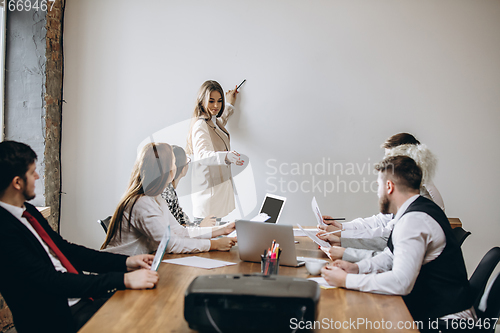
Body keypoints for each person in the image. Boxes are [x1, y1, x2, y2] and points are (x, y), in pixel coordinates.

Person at [0, 141, 159, 333]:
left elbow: (68, 251)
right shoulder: (5, 230)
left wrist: (126, 262)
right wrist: (124, 280)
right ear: (17, 182)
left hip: (80, 301)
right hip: (56, 318)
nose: (38, 176)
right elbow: (51, 280)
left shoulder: (28, 211)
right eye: (32, 172)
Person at [321, 156, 473, 331]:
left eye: (378, 186)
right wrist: (357, 268)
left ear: (389, 186)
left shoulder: (414, 221)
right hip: (437, 309)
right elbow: (390, 256)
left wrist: (346, 280)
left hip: (446, 320)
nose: (378, 193)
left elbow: (401, 282)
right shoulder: (417, 209)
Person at [319, 133, 445, 262]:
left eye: (391, 159)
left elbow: (387, 238)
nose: (386, 164)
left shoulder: (419, 207)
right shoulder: (409, 199)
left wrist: (342, 240)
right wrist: (342, 229)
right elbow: (380, 223)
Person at [101, 142, 236, 256]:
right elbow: (169, 243)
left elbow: (180, 231)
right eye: (173, 161)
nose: (176, 166)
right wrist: (214, 244)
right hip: (117, 269)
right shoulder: (141, 203)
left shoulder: (156, 198)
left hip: (136, 265)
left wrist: (222, 230)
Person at [186, 80, 244, 221]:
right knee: (208, 240)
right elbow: (202, 156)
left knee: (216, 238)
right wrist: (227, 156)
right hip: (208, 196)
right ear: (202, 101)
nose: (216, 106)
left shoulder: (211, 121)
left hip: (215, 193)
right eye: (211, 101)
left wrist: (230, 103)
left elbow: (220, 124)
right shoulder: (200, 124)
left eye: (219, 101)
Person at [161, 145, 217, 229]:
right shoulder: (167, 192)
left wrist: (199, 225)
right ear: (181, 167)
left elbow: (181, 221)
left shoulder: (168, 188)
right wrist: (200, 226)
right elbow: (175, 229)